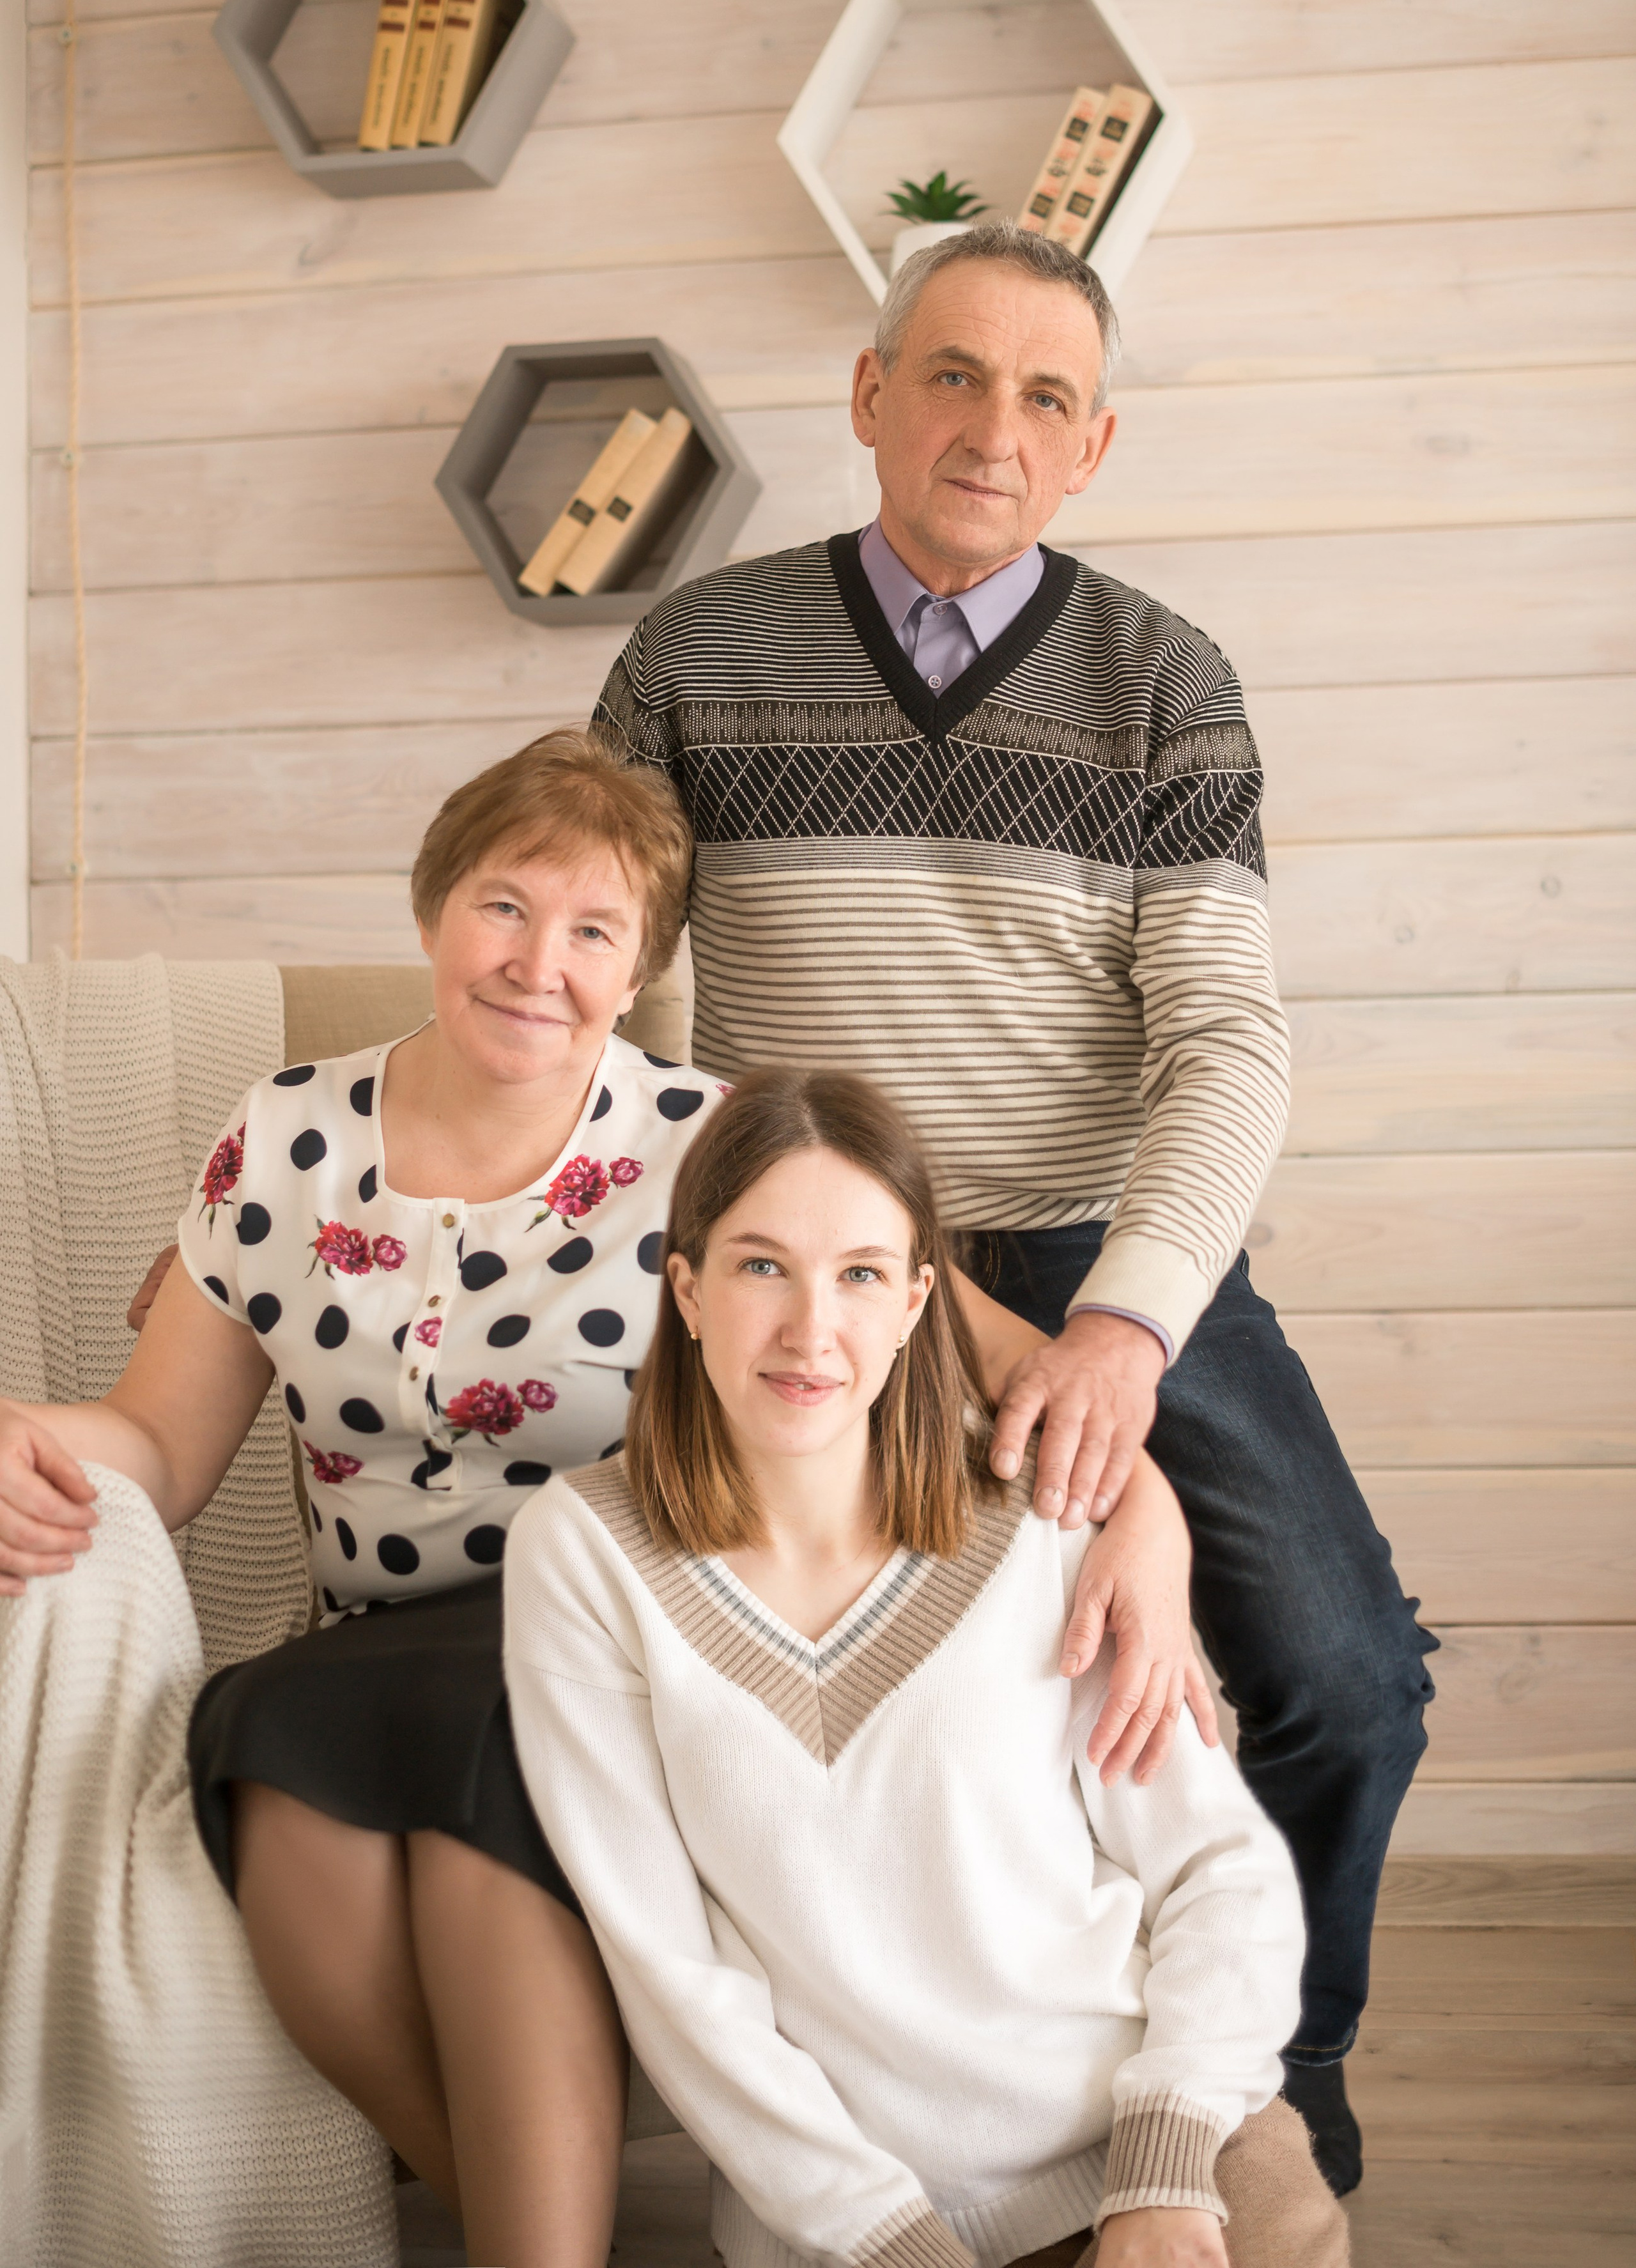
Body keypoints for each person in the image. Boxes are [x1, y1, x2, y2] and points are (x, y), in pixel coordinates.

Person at [0, 729, 1201, 2268]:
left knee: (465, 1778)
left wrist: (1145, 1532)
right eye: (505, 907)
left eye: (593, 932)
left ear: (635, 969)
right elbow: (152, 1450)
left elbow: (1033, 1378)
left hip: (642, 1613)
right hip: (374, 1637)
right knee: (269, 1751)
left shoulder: (715, 1145)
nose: (536, 964)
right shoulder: (284, 1141)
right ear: (435, 909)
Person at [590, 219, 1436, 2191]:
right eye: (952, 375)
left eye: (1044, 395)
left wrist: (1131, 1327)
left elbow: (1226, 1044)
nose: (993, 425)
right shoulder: (693, 655)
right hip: (791, 1249)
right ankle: (891, 2113)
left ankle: (1259, 2097)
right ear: (872, 397)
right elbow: (593, 981)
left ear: (1094, 446)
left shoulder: (1169, 687)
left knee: (1343, 1678)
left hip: (1085, 1242)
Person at [505, 1067, 1350, 2268]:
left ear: (914, 1306)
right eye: (761, 1267)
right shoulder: (584, 1557)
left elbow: (1218, 1869)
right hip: (850, 2221)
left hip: (1160, 2136)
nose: (811, 1331)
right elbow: (675, 1978)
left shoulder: (1044, 1515)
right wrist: (884, 2239)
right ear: (687, 1291)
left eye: (858, 1275)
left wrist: (1164, 2170)